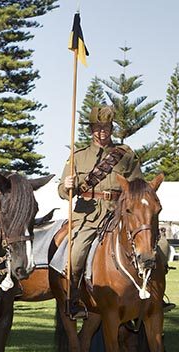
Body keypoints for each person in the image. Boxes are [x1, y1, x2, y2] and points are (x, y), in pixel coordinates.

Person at [60, 105, 142, 319]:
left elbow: (137, 186)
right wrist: (68, 185)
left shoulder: (125, 155)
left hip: (119, 214)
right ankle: (75, 299)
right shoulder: (78, 157)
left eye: (105, 127)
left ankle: (153, 296)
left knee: (154, 247)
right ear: (91, 130)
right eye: (97, 127)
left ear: (111, 128)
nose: (102, 131)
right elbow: (61, 191)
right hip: (89, 216)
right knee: (76, 252)